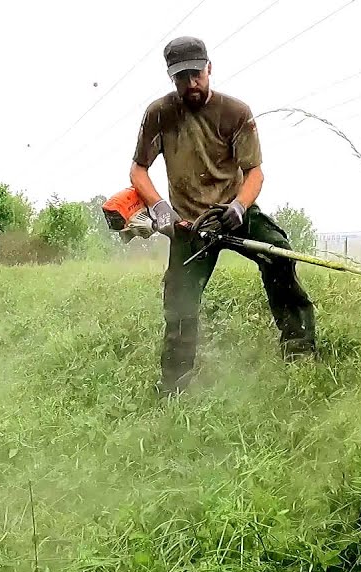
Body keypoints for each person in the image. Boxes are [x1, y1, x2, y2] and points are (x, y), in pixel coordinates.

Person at [130, 36, 317, 395]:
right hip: (188, 224)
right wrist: (160, 208)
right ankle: (175, 385)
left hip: (233, 210)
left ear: (209, 68)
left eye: (196, 74)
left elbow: (255, 173)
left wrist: (239, 207)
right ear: (172, 78)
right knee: (179, 298)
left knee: (278, 253)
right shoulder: (159, 114)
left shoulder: (236, 112)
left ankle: (299, 350)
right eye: (182, 78)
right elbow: (138, 170)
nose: (191, 84)